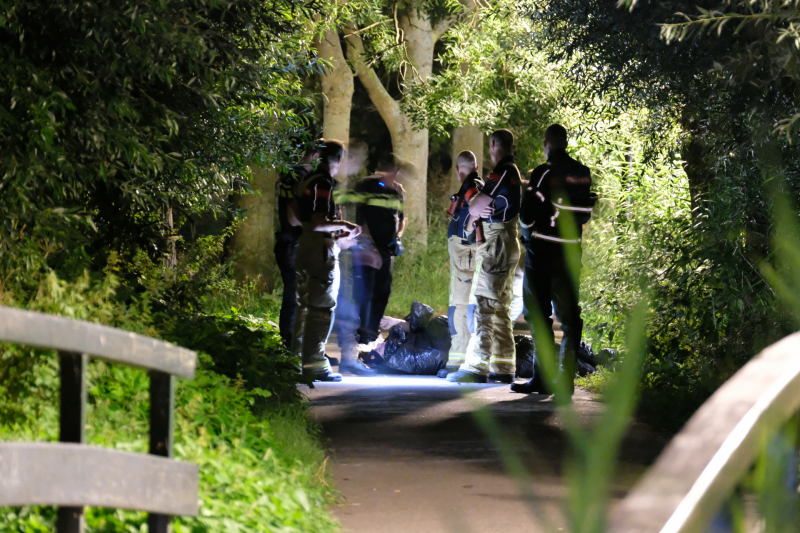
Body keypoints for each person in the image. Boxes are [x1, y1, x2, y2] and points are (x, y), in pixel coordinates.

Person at [512, 124, 597, 398]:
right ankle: (565, 381)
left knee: (538, 315)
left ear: (547, 143)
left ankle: (543, 377)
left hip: (542, 252)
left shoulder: (543, 173)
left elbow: (527, 214)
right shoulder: (582, 174)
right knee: (570, 319)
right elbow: (584, 213)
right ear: (566, 142)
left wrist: (527, 238)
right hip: (570, 254)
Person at [447, 129, 522, 384]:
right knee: (500, 306)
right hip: (504, 242)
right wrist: (476, 203)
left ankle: (476, 366)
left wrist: (475, 201)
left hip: (496, 243)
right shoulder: (508, 172)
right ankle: (503, 366)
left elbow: (476, 206)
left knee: (484, 303)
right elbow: (477, 207)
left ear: (492, 146)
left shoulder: (503, 172)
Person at [292, 140, 362, 382]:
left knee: (304, 307)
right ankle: (315, 364)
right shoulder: (323, 183)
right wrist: (344, 225)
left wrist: (334, 231)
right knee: (321, 308)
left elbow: (295, 217)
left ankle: (297, 361)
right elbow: (318, 221)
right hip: (320, 250)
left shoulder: (306, 180)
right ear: (339, 160)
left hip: (305, 246)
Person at [335, 163, 407, 375]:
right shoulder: (368, 185)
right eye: (395, 172)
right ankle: (354, 341)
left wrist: (398, 238)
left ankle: (369, 338)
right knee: (362, 293)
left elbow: (401, 218)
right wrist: (368, 246)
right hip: (366, 250)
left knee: (382, 293)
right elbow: (361, 215)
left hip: (387, 250)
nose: (397, 177)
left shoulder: (397, 190)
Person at [438, 150, 484, 378]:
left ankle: (457, 359)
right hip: (466, 253)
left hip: (465, 251)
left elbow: (475, 209)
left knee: (458, 304)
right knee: (462, 303)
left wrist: (467, 232)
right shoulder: (476, 183)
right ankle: (460, 357)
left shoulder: (471, 185)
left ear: (458, 169)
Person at [274, 145, 320, 349]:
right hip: (295, 245)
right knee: (297, 299)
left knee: (297, 298)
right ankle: (292, 347)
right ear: (315, 155)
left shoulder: (291, 175)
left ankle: (294, 345)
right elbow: (293, 218)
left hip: (289, 244)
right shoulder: (300, 178)